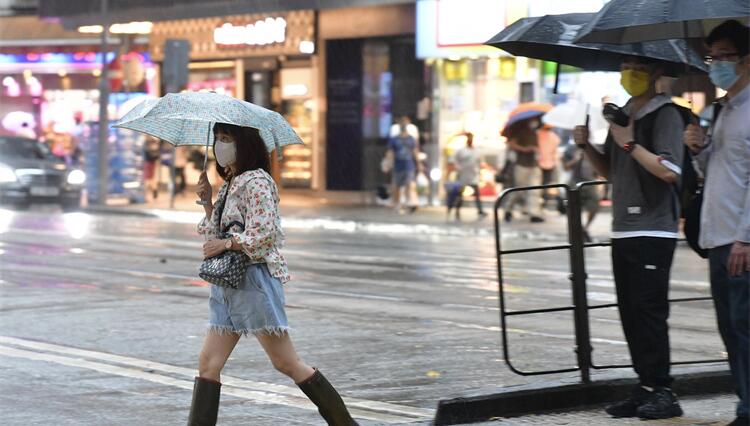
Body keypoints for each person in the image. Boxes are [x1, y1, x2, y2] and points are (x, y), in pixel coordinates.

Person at [191, 123, 358, 426]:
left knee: (286, 362)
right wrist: (207, 203)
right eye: (217, 140)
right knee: (208, 364)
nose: (219, 146)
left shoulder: (257, 182)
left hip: (253, 281)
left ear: (244, 144)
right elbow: (216, 232)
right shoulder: (232, 182)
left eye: (226, 139)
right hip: (226, 283)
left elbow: (265, 234)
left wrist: (226, 243)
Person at [574, 55, 685, 420]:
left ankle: (664, 390)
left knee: (650, 312)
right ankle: (646, 385)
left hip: (653, 227)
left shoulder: (666, 114)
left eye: (636, 66)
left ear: (655, 71)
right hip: (623, 226)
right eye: (622, 65)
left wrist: (628, 142)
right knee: (630, 312)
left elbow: (669, 171)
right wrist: (587, 146)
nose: (628, 73)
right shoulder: (620, 115)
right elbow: (611, 171)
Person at [683, 20, 749, 426]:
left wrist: (746, 238)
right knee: (731, 331)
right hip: (717, 235)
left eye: (725, 56)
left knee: (746, 330)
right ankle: (744, 404)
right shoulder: (724, 109)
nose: (717, 65)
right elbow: (720, 174)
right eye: (712, 57)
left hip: (740, 241)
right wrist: (699, 150)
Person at [505, 118, 544, 223]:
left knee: (535, 190)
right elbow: (511, 144)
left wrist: (536, 150)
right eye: (532, 120)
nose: (534, 122)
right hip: (522, 164)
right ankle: (508, 209)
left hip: (534, 165)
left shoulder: (536, 133)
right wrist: (525, 149)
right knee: (519, 190)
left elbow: (538, 148)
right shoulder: (519, 132)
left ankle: (534, 214)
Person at [562, 144, 601, 242]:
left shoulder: (592, 148)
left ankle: (584, 229)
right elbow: (565, 167)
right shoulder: (570, 149)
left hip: (590, 182)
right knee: (573, 210)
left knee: (594, 206)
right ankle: (578, 233)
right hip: (575, 181)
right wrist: (576, 159)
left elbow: (599, 168)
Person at [449, 132, 487, 220]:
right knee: (460, 194)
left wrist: (480, 172)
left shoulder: (477, 150)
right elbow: (452, 160)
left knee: (476, 193)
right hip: (463, 175)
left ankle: (480, 210)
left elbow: (479, 162)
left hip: (473, 175)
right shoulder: (461, 150)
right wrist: (458, 168)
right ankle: (457, 210)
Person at [386, 123, 420, 213]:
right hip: (398, 164)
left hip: (409, 164)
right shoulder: (395, 139)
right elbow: (391, 152)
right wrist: (389, 163)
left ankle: (408, 202)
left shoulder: (411, 139)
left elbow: (414, 151)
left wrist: (418, 163)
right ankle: (397, 202)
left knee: (408, 184)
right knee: (397, 184)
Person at [537, 124, 561, 208]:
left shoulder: (538, 134)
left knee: (539, 186)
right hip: (548, 165)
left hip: (540, 165)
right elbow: (555, 153)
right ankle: (542, 203)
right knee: (545, 186)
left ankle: (541, 204)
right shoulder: (554, 137)